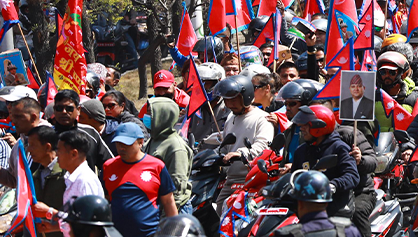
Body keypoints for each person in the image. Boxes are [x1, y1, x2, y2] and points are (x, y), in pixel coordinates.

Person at [102, 121, 178, 237]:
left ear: (140, 142)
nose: (121, 148)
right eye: (118, 144)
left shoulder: (156, 166)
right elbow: (105, 200)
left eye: (127, 144)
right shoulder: (109, 166)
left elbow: (168, 203)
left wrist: (175, 236)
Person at [206, 75, 274, 211]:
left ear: (246, 96)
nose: (230, 104)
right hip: (231, 179)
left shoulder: (262, 119)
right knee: (219, 211)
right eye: (227, 100)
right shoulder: (231, 117)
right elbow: (225, 146)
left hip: (251, 180)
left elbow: (262, 147)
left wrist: (239, 153)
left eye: (234, 99)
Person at [289, 104, 360, 214]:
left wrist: (333, 185)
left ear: (319, 127)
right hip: (307, 207)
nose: (301, 128)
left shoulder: (339, 148)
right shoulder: (301, 151)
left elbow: (352, 176)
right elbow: (294, 176)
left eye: (306, 125)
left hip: (335, 208)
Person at [144, 96, 193, 214]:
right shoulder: (154, 139)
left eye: (151, 114)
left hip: (175, 209)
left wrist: (169, 216)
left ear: (163, 116)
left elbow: (177, 187)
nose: (147, 117)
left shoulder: (176, 147)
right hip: (157, 205)